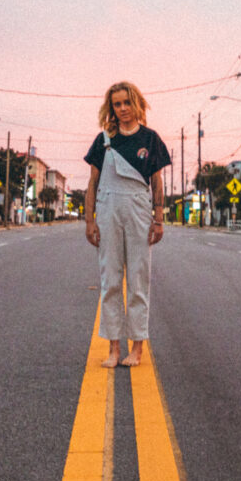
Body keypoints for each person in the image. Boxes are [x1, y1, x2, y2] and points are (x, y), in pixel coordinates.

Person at [84, 81, 171, 368]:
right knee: (110, 280)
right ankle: (112, 347)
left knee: (138, 280)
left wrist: (158, 219)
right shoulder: (104, 140)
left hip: (138, 209)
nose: (122, 109)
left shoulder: (150, 139)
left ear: (137, 104)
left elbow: (157, 183)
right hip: (108, 209)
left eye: (126, 103)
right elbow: (93, 183)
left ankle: (137, 347)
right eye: (117, 104)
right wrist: (90, 220)